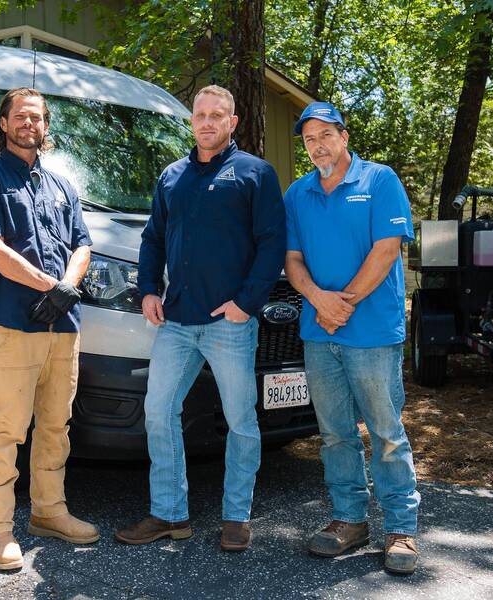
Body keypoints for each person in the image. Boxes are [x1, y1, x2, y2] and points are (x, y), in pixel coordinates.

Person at [115, 85, 286, 552]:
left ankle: (236, 517)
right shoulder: (172, 176)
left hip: (229, 323)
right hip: (175, 321)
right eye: (200, 115)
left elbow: (272, 243)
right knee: (158, 412)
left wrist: (245, 303)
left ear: (233, 123)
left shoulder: (255, 173)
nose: (207, 122)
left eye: (217, 115)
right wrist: (149, 289)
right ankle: (170, 513)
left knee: (240, 421)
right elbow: (153, 238)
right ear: (192, 121)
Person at [0, 87, 97, 571]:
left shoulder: (62, 186)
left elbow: (82, 245)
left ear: (46, 127)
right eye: (20, 116)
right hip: (15, 326)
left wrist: (66, 287)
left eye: (37, 118)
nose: (29, 124)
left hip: (64, 329)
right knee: (6, 430)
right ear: (3, 123)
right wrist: (48, 286)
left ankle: (48, 511)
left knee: (56, 427)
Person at [283, 101, 421, 574]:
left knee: (385, 433)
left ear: (344, 136)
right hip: (320, 333)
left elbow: (387, 251)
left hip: (373, 332)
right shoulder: (298, 193)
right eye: (308, 139)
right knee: (335, 434)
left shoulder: (379, 181)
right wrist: (320, 301)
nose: (317, 145)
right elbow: (292, 260)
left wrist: (342, 304)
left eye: (325, 135)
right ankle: (349, 520)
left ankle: (401, 529)